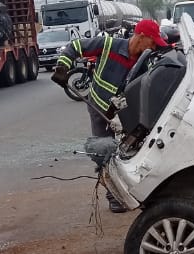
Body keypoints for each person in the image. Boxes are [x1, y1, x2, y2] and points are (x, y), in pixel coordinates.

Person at [53, 18, 170, 212]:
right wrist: (63, 67)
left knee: (129, 152)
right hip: (99, 110)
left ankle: (136, 190)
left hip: (124, 115)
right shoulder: (109, 45)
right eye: (152, 41)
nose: (153, 46)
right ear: (142, 37)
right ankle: (113, 196)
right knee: (105, 152)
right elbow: (74, 47)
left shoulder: (144, 62)